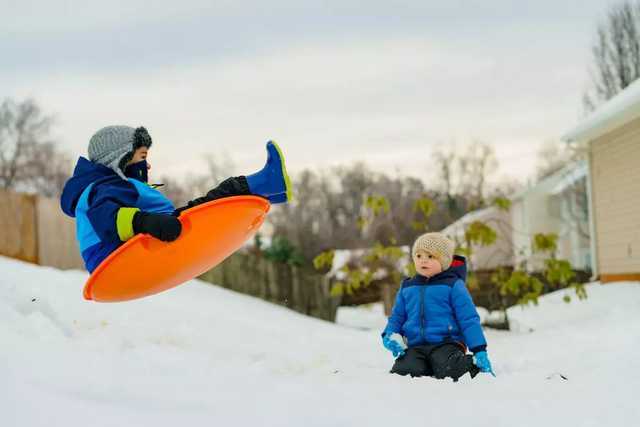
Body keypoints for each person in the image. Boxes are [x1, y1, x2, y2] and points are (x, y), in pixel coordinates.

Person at [60, 125, 291, 273]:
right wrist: (144, 222)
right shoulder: (104, 187)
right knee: (208, 205)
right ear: (120, 158)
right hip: (115, 259)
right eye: (142, 156)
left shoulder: (106, 186)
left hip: (121, 255)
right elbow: (106, 218)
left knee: (199, 208)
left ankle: (268, 189)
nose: (146, 164)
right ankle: (266, 182)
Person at [381, 232, 495, 381]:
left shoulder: (453, 285)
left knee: (449, 368)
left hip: (447, 344)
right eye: (419, 256)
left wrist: (479, 350)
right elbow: (397, 317)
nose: (423, 261)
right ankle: (427, 365)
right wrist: (389, 335)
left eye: (430, 256)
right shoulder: (408, 287)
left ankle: (471, 365)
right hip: (415, 346)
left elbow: (468, 319)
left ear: (444, 261)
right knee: (404, 371)